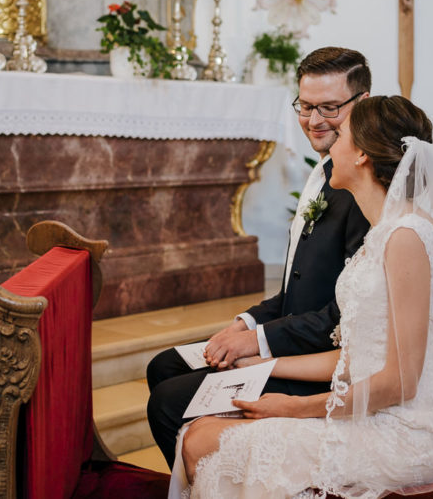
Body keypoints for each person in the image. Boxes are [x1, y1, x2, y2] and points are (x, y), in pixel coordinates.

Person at [171, 95, 433, 498]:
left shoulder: (407, 236)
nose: (329, 144)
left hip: (407, 429)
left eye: (340, 135)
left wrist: (292, 408)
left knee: (202, 441)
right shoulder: (383, 232)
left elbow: (402, 383)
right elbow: (355, 357)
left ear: (361, 155)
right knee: (199, 430)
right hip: (370, 410)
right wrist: (263, 364)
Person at [145, 47, 372, 467]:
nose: (315, 120)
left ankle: (217, 475)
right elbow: (297, 285)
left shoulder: (363, 191)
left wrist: (257, 342)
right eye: (305, 106)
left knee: (167, 401)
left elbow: (345, 315)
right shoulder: (322, 172)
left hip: (321, 361)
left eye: (330, 107)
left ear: (362, 103)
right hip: (290, 336)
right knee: (164, 366)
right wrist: (245, 322)